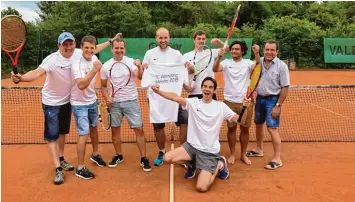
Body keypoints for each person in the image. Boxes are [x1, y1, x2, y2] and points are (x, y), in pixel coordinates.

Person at [11, 32, 121, 185]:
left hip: (67, 101)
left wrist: (111, 41)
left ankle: (61, 158)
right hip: (51, 102)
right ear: (59, 45)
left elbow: (94, 49)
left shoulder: (78, 53)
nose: (68, 47)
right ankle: (58, 170)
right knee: (52, 136)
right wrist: (21, 78)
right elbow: (37, 72)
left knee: (63, 132)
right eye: (65, 44)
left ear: (75, 45)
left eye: (71, 44)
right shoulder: (52, 60)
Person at [151, 77, 248, 193]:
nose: (207, 89)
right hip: (192, 147)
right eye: (205, 86)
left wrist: (245, 108)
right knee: (167, 158)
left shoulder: (221, 107)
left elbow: (240, 120)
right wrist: (159, 91)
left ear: (214, 91)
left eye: (210, 87)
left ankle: (220, 164)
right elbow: (175, 97)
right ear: (201, 88)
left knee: (202, 187)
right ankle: (192, 164)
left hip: (209, 153)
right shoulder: (193, 102)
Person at [100, 38, 151, 172]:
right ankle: (118, 155)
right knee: (115, 130)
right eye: (116, 48)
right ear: (112, 49)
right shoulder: (106, 66)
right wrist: (107, 98)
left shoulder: (130, 62)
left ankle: (144, 158)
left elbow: (140, 77)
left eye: (121, 48)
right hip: (114, 104)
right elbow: (103, 87)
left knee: (139, 130)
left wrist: (140, 67)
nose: (119, 51)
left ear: (125, 49)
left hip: (131, 101)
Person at [142, 27, 189, 167]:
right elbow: (143, 75)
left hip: (174, 97)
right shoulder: (149, 54)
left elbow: (185, 70)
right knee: (158, 126)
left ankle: (184, 152)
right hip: (156, 98)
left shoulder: (176, 54)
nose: (163, 40)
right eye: (160, 38)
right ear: (156, 39)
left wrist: (187, 67)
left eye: (165, 37)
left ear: (169, 38)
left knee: (185, 121)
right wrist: (143, 67)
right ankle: (162, 151)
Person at [213, 40, 260, 165]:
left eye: (237, 49)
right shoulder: (226, 63)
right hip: (229, 102)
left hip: (246, 102)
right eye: (232, 49)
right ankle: (233, 153)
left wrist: (256, 53)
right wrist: (219, 56)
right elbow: (215, 68)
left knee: (245, 130)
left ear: (243, 51)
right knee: (231, 129)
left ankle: (243, 154)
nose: (234, 51)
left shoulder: (247, 63)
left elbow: (258, 66)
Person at [246, 40, 290, 170]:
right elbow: (253, 79)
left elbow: (285, 87)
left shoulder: (282, 66)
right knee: (258, 124)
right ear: (264, 50)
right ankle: (259, 149)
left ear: (276, 52)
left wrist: (278, 105)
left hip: (273, 100)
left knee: (272, 128)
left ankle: (277, 158)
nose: (269, 52)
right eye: (267, 50)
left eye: (272, 50)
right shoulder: (259, 64)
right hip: (260, 98)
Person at [70, 35, 107, 180]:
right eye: (86, 47)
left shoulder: (95, 59)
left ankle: (95, 154)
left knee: (94, 129)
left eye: (92, 48)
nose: (89, 51)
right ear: (81, 48)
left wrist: (111, 41)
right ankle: (80, 167)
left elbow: (99, 49)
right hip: (79, 104)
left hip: (92, 101)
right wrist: (94, 70)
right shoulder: (76, 63)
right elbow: (81, 85)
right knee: (83, 134)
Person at [183, 30, 227, 100]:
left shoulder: (211, 52)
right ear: (194, 40)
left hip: (210, 93)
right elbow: (181, 74)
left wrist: (219, 41)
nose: (201, 40)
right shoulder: (186, 56)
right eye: (199, 38)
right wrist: (185, 87)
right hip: (194, 94)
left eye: (203, 39)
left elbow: (227, 49)